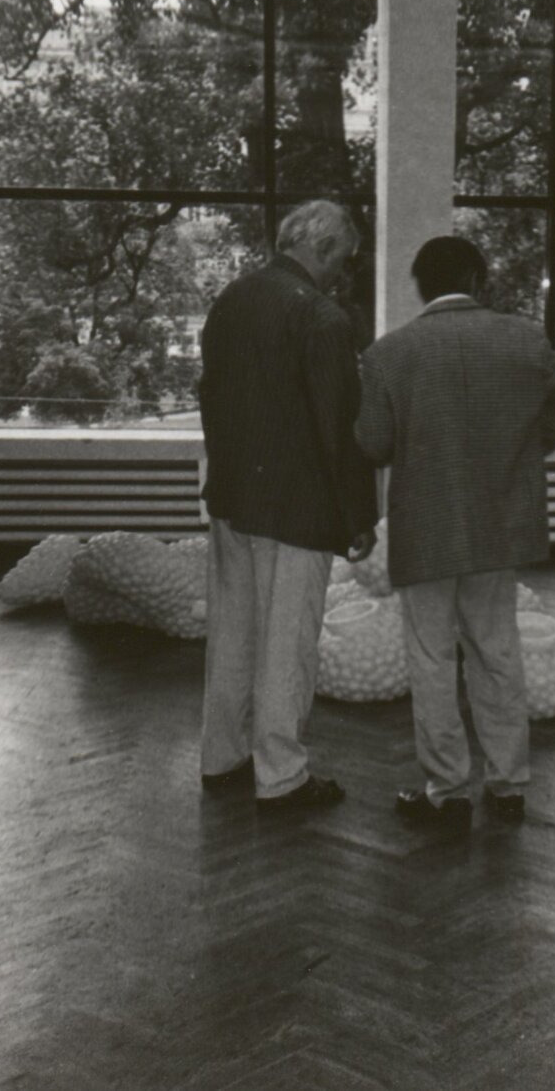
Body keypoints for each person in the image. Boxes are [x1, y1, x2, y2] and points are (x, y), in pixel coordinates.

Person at [354, 236, 555, 831]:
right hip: (497, 523)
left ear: (420, 285)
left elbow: (373, 443)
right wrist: (528, 444)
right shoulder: (522, 339)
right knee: (497, 651)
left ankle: (448, 791)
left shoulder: (390, 353)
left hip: (426, 528)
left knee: (432, 660)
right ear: (476, 279)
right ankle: (509, 783)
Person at [198, 200, 377, 811]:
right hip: (296, 509)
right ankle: (282, 777)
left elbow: (210, 397)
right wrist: (358, 516)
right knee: (287, 643)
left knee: (232, 634)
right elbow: (339, 428)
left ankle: (222, 757)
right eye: (341, 260)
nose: (341, 275)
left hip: (232, 496)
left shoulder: (232, 301)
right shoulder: (321, 318)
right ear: (322, 249)